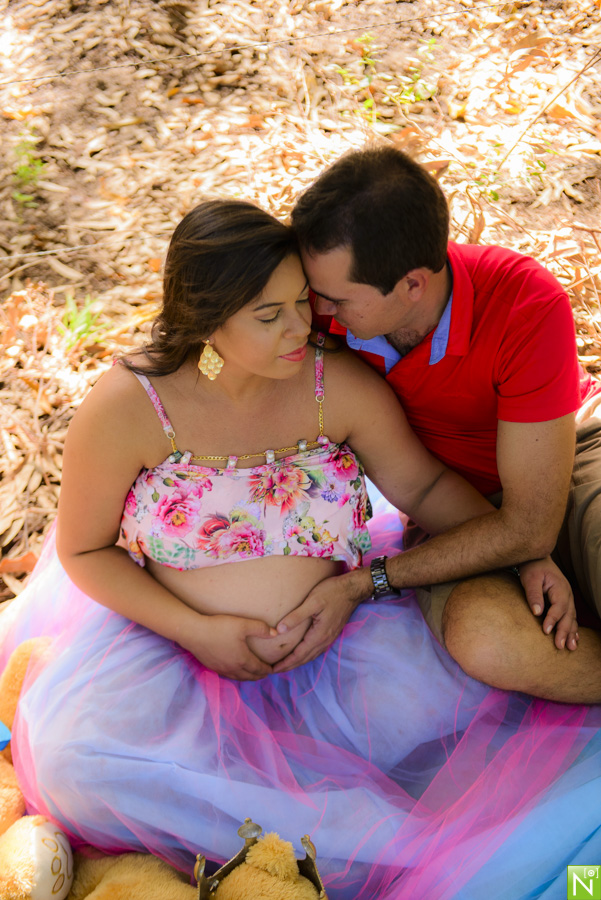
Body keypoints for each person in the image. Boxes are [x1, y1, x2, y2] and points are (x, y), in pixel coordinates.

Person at [1, 199, 599, 900]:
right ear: (206, 318)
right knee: (79, 765)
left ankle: (362, 851)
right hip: (176, 652)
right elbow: (84, 552)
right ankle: (362, 850)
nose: (303, 326)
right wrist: (197, 630)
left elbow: (425, 484)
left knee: (466, 723)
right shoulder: (131, 406)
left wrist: (523, 553)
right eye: (269, 314)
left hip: (342, 649)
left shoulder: (331, 382)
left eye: (300, 303)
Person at [285, 145, 601, 705]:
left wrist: (366, 581)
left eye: (337, 299)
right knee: (487, 639)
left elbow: (531, 524)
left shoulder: (524, 301)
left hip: (573, 454)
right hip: (447, 505)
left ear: (412, 285)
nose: (317, 311)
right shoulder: (314, 306)